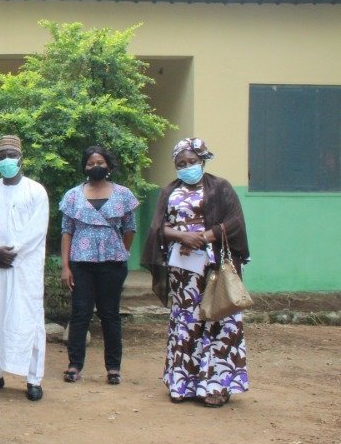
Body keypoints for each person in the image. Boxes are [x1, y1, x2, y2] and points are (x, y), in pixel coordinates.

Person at [142, 138, 249, 407]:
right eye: (181, 163)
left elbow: (234, 221)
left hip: (214, 271)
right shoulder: (169, 192)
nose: (187, 167)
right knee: (187, 323)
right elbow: (158, 227)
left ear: (202, 161)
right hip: (183, 273)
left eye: (192, 162)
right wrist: (181, 236)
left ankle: (216, 386)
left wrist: (204, 237)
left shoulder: (221, 188)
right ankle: (183, 383)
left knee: (218, 321)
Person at [0, 134, 50, 402]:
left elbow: (37, 230)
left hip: (23, 268)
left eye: (11, 155)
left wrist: (10, 252)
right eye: (1, 156)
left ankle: (33, 378)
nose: (6, 160)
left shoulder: (35, 190)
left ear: (21, 159)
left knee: (27, 318)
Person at [59, 145, 139, 384]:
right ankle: (74, 366)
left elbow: (130, 228)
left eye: (100, 163)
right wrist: (65, 267)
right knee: (80, 314)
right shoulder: (73, 195)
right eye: (91, 163)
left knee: (110, 315)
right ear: (84, 166)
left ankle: (113, 368)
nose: (96, 167)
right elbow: (66, 232)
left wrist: (121, 251)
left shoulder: (123, 194)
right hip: (81, 263)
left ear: (109, 165)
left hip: (112, 263)